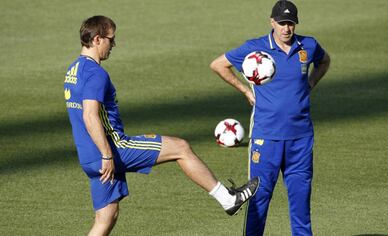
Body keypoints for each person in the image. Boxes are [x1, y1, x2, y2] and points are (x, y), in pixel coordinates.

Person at [64, 15, 259, 236]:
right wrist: (107, 155)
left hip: (88, 156)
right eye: (111, 39)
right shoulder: (95, 73)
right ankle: (228, 199)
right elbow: (90, 116)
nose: (114, 45)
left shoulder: (74, 70)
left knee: (106, 218)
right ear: (97, 39)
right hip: (109, 150)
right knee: (181, 147)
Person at [210, 1, 330, 235]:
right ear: (272, 22)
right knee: (258, 202)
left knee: (301, 206)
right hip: (266, 138)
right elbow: (218, 65)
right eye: (282, 23)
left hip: (301, 140)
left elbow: (324, 61)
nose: (287, 28)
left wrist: (312, 81)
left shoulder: (308, 45)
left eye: (291, 23)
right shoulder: (255, 49)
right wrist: (245, 90)